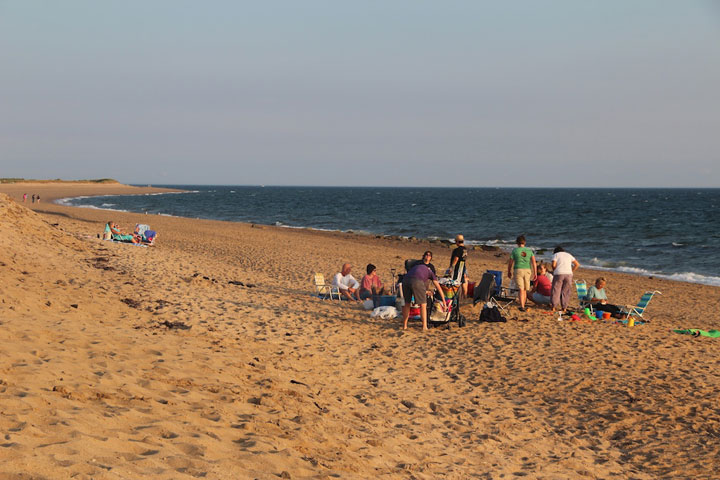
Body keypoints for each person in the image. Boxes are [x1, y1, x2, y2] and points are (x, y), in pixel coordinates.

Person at [401, 262, 446, 331]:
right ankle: (424, 327)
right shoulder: (430, 273)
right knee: (423, 304)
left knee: (407, 303)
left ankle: (404, 326)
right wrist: (444, 303)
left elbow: (416, 286)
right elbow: (439, 288)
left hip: (405, 280)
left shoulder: (418, 268)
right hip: (416, 281)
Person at [507, 235, 536, 312]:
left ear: (517, 242)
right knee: (525, 289)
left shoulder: (515, 251)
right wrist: (535, 272)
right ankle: (524, 304)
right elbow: (533, 262)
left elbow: (510, 262)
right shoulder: (529, 251)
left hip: (518, 269)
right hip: (527, 270)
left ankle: (522, 306)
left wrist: (509, 271)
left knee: (520, 288)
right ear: (524, 242)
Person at [551, 246, 579, 312]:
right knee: (566, 291)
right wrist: (572, 271)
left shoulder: (556, 255)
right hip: (568, 274)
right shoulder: (569, 255)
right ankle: (564, 307)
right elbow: (577, 264)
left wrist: (555, 270)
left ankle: (554, 306)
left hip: (559, 273)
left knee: (556, 290)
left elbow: (553, 265)